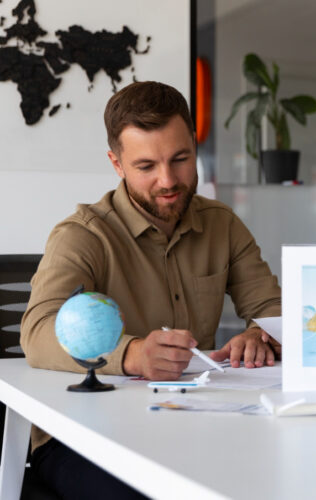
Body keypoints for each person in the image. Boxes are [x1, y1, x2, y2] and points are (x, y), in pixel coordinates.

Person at [21, 81, 282, 497]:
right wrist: (133, 354)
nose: (168, 180)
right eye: (146, 167)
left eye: (181, 159)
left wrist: (259, 333)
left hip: (196, 419)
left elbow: (271, 306)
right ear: (117, 163)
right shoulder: (83, 235)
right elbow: (36, 332)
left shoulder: (222, 224)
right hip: (85, 435)